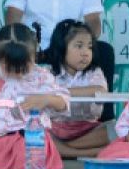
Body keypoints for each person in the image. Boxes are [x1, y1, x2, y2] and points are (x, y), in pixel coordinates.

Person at [0, 24, 68, 169]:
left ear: (34, 55)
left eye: (24, 66)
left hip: (30, 141)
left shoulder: (41, 76)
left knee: (24, 156)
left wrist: (46, 99)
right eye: (10, 66)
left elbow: (64, 102)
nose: (17, 72)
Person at [44, 19, 111, 158]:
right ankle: (84, 153)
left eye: (89, 47)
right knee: (32, 131)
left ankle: (62, 150)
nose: (86, 53)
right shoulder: (48, 73)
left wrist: (61, 93)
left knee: (116, 129)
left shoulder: (94, 72)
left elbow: (99, 91)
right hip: (56, 128)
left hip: (88, 129)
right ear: (62, 48)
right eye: (79, 46)